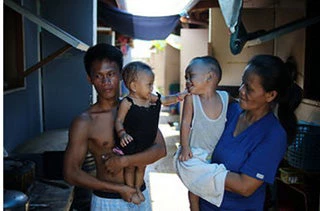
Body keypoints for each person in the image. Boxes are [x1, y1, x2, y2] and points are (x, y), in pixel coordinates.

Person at [63, 43, 167, 211]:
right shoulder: (85, 122)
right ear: (90, 79)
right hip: (107, 201)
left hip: (140, 196)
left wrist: (124, 161)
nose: (106, 82)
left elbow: (161, 149)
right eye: (99, 76)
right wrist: (119, 189)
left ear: (120, 75)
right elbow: (71, 172)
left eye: (111, 74)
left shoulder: (137, 108)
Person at [194, 55, 300, 210]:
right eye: (242, 82)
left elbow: (245, 186)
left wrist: (196, 169)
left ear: (270, 95)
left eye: (249, 88)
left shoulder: (273, 135)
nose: (241, 90)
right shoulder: (229, 112)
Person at [114, 61, 188, 204]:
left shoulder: (150, 98)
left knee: (142, 166)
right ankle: (130, 190)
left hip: (145, 142)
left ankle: (137, 188)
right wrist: (122, 133)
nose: (152, 88)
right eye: (149, 84)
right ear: (134, 86)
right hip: (130, 142)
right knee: (129, 168)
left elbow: (165, 100)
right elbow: (118, 121)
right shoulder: (127, 102)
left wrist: (180, 95)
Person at [174, 56, 229, 211]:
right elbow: (185, 123)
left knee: (216, 179)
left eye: (191, 76)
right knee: (194, 183)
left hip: (216, 153)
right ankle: (194, 208)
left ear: (210, 77)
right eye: (186, 78)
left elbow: (237, 109)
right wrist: (185, 148)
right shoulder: (192, 99)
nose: (187, 81)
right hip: (196, 152)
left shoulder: (225, 97)